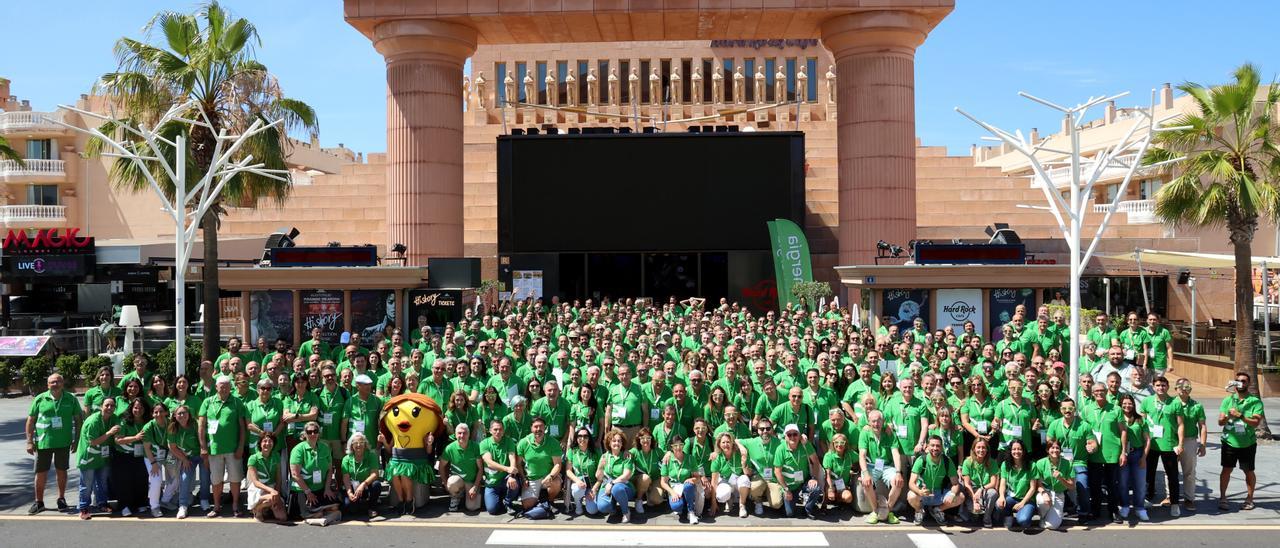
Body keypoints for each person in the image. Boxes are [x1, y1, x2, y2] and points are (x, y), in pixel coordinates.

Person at [26, 373, 83, 514]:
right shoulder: (40, 399)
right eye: (52, 382)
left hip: (63, 442)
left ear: (63, 384)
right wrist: (29, 441)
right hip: (43, 442)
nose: (55, 384)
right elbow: (30, 421)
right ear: (47, 385)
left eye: (58, 382)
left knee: (61, 471)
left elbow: (78, 420)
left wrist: (77, 440)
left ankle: (61, 499)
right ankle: (39, 502)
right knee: (40, 473)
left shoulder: (71, 399)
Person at [199, 375, 248, 518]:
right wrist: (203, 447)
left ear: (230, 387)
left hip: (233, 449)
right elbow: (201, 426)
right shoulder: (207, 402)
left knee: (235, 478)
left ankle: (235, 504)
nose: (224, 388)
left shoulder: (237, 402)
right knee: (216, 479)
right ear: (216, 387)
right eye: (221, 386)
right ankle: (216, 506)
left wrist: (240, 447)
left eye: (227, 385)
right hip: (214, 449)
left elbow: (242, 427)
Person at [1217, 371, 1262, 511]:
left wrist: (1240, 416)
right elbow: (1220, 422)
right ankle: (1223, 498)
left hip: (1247, 443)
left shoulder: (1255, 401)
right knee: (1226, 470)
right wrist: (1226, 418)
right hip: (1229, 442)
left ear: (1249, 383)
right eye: (1238, 380)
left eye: (1244, 381)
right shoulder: (1227, 400)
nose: (1241, 383)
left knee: (1248, 471)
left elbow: (1255, 423)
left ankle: (1249, 498)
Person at [1141, 375, 1185, 516]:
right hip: (1151, 444)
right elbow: (1141, 423)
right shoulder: (1147, 401)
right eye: (1158, 385)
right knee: (1148, 474)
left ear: (1168, 387)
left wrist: (1180, 444)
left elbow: (1180, 425)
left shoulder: (1175, 403)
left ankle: (1175, 503)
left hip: (1169, 445)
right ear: (1153, 387)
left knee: (1172, 476)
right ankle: (1148, 498)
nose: (1161, 388)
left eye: (1163, 385)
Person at [1046, 397, 1094, 521]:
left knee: (1082, 485)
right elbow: (1049, 441)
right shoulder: (1055, 424)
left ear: (1075, 409)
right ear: (1060, 410)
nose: (1067, 411)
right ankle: (1066, 507)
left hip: (1078, 462)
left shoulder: (1084, 425)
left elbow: (1092, 442)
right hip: (1060, 461)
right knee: (1052, 481)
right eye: (1064, 408)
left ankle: (1084, 512)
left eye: (1070, 408)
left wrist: (1091, 447)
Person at [290, 421, 341, 525]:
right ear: (304, 434)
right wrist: (308, 492)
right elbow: (295, 474)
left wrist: (327, 489)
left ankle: (321, 516)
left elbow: (330, 470)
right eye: (309, 432)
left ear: (319, 433)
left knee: (335, 506)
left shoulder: (325, 447)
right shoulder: (298, 450)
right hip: (302, 490)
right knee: (317, 513)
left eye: (315, 431)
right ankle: (320, 516)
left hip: (320, 488)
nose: (313, 434)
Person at [76, 397, 120, 520]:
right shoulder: (93, 421)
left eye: (112, 406)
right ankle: (83, 507)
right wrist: (110, 433)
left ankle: (102, 504)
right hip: (89, 457)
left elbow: (120, 426)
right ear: (101, 406)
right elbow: (93, 442)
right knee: (87, 484)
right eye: (107, 405)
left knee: (102, 482)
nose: (110, 408)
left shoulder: (113, 418)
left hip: (102, 456)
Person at [907, 435, 965, 525]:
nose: (935, 448)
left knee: (960, 497)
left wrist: (952, 494)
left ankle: (937, 510)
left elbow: (955, 484)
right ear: (927, 447)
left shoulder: (947, 461)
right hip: (923, 493)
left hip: (939, 493)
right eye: (932, 445)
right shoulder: (921, 460)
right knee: (911, 496)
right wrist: (919, 491)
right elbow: (911, 483)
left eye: (938, 446)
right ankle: (919, 511)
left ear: (942, 447)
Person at [859, 410, 904, 524]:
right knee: (866, 482)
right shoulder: (864, 433)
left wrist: (898, 472)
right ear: (869, 422)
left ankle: (887, 511)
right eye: (873, 421)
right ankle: (875, 511)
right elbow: (862, 455)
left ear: (883, 421)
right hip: (871, 466)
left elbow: (895, 453)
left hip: (887, 466)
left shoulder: (889, 433)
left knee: (898, 482)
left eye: (879, 421)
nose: (876, 424)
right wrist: (865, 473)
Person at [111, 397, 151, 516]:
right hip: (124, 456)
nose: (138, 410)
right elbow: (118, 440)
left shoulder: (147, 421)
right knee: (125, 482)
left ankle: (140, 503)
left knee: (141, 480)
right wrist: (135, 437)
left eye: (141, 407)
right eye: (135, 407)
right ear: (131, 408)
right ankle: (124, 506)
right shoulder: (123, 420)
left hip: (140, 455)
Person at [774, 423, 823, 519]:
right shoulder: (781, 449)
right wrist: (786, 489)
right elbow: (777, 471)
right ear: (785, 437)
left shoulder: (805, 445)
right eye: (789, 435)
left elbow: (816, 461)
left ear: (799, 435)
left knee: (816, 488)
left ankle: (807, 509)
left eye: (795, 434)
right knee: (790, 514)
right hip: (789, 486)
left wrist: (814, 478)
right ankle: (792, 499)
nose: (792, 437)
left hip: (803, 481)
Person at [167, 404, 208, 518]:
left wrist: (205, 453)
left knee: (205, 477)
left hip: (201, 455)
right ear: (175, 416)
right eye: (179, 413)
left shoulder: (195, 424)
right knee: (184, 479)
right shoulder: (172, 428)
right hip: (187, 458)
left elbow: (204, 439)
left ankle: (204, 499)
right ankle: (183, 506)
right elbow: (172, 447)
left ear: (189, 415)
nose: (182, 415)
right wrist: (184, 459)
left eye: (184, 413)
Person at [516, 417, 564, 511]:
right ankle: (542, 495)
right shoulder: (523, 442)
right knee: (527, 506)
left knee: (556, 482)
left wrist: (551, 475)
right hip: (531, 478)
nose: (538, 429)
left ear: (545, 428)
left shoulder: (553, 442)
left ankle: (550, 500)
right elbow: (518, 464)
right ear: (531, 428)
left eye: (541, 426)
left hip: (548, 477)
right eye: (535, 427)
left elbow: (557, 464)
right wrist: (523, 478)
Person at [1117, 393, 1151, 521]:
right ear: (1120, 405)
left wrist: (1144, 457)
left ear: (1134, 405)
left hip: (1137, 454)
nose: (1127, 406)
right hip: (1123, 454)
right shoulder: (1117, 418)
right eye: (1124, 403)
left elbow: (1147, 440)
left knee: (1140, 483)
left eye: (1130, 403)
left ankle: (1139, 508)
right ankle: (1125, 506)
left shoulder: (1140, 419)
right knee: (1123, 482)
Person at [1175, 378, 1206, 514]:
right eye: (1180, 386)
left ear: (1191, 389)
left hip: (1189, 441)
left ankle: (1189, 498)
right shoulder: (1170, 404)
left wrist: (1203, 444)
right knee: (1170, 471)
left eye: (1187, 387)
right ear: (1176, 389)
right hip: (1172, 440)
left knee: (1189, 472)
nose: (1184, 389)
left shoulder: (1197, 406)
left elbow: (1202, 426)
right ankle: (1171, 496)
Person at [141, 403, 176, 517]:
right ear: (152, 414)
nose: (158, 414)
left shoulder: (171, 423)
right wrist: (154, 463)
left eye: (161, 411)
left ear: (166, 412)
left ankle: (165, 501)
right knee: (156, 480)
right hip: (152, 456)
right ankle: (154, 507)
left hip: (168, 455)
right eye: (156, 412)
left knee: (177, 477)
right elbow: (147, 448)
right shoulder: (148, 427)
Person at [480, 419, 521, 515]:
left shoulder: (509, 441)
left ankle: (508, 502)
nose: (498, 431)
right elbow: (489, 463)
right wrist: (507, 469)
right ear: (490, 431)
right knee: (492, 510)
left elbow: (512, 459)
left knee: (515, 483)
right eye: (495, 429)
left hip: (505, 479)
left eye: (500, 429)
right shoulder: (484, 443)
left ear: (503, 430)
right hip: (492, 482)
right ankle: (499, 499)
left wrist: (511, 475)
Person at [596, 428, 638, 522]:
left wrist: (611, 483)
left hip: (624, 487)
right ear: (609, 443)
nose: (616, 443)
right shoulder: (604, 456)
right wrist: (600, 467)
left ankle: (626, 512)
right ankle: (613, 508)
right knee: (602, 507)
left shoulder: (626, 456)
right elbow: (598, 477)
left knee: (617, 489)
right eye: (614, 441)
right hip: (606, 485)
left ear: (622, 444)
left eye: (619, 441)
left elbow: (626, 475)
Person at [440, 423, 484, 512]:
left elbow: (480, 469)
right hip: (458, 481)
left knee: (472, 507)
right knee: (452, 483)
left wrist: (475, 487)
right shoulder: (449, 448)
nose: (462, 435)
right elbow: (441, 467)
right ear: (455, 435)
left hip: (472, 481)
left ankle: (471, 492)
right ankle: (456, 496)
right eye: (459, 433)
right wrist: (445, 483)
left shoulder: (476, 447)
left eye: (465, 433)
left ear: (469, 434)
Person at [1033, 439, 1075, 530]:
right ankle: (1043, 517)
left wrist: (1061, 478)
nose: (1055, 450)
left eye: (1057, 448)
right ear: (1047, 450)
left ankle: (1049, 518)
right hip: (1045, 492)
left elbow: (1072, 486)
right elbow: (1038, 484)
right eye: (1052, 448)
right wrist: (1044, 493)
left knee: (1053, 526)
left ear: (1060, 450)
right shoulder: (1040, 463)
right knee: (1042, 501)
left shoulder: (1067, 463)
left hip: (1059, 494)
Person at [661, 434, 703, 524]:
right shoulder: (667, 460)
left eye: (681, 445)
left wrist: (692, 479)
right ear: (671, 447)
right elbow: (663, 482)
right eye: (675, 445)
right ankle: (683, 505)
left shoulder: (690, 458)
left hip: (687, 487)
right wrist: (672, 493)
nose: (678, 448)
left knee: (688, 486)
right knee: (677, 506)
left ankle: (691, 512)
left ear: (684, 445)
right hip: (674, 487)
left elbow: (697, 477)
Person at [996, 439, 1037, 530]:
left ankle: (1024, 515)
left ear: (1023, 451)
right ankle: (1008, 515)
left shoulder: (1032, 465)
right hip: (1011, 497)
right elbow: (1002, 483)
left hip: (1027, 500)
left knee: (1023, 521)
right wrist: (1002, 496)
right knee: (998, 504)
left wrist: (1022, 503)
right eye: (1014, 449)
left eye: (1019, 449)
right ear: (1010, 451)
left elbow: (1033, 488)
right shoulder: (1005, 464)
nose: (1016, 452)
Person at [709, 431, 751, 518]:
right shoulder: (717, 457)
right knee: (721, 496)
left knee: (745, 479)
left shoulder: (739, 453)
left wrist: (744, 464)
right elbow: (714, 482)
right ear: (719, 444)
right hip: (725, 481)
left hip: (737, 482)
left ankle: (742, 506)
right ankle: (729, 498)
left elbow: (748, 473)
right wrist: (713, 503)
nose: (726, 444)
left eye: (728, 442)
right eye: (723, 442)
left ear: (732, 443)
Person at [960, 437, 999, 527]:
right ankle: (975, 513)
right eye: (978, 447)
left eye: (983, 447)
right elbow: (967, 484)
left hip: (985, 489)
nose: (981, 450)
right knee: (974, 513)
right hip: (972, 491)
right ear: (974, 449)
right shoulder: (967, 462)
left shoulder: (992, 462)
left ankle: (987, 517)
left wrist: (981, 489)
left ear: (987, 450)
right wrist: (975, 500)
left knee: (993, 493)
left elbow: (993, 483)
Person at [342, 432, 383, 518]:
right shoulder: (346, 459)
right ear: (351, 445)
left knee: (376, 485)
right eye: (356, 443)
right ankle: (362, 504)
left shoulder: (371, 455)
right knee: (351, 509)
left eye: (361, 442)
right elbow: (346, 478)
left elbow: (375, 474)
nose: (358, 445)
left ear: (365, 444)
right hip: (353, 488)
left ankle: (372, 507)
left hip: (367, 486)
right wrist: (349, 493)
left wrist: (363, 484)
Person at [246, 435, 286, 522]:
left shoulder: (276, 456)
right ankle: (258, 509)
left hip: (272, 487)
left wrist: (277, 493)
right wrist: (272, 491)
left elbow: (278, 478)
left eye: (270, 441)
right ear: (260, 444)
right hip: (258, 488)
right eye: (264, 441)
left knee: (283, 517)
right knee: (271, 498)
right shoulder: (253, 458)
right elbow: (256, 482)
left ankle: (267, 507)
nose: (267, 443)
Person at [565, 426, 602, 515]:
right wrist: (577, 481)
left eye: (585, 436)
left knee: (592, 511)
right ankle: (578, 503)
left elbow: (601, 474)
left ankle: (588, 497)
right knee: (577, 489)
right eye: (580, 436)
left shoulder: (596, 452)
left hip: (593, 485)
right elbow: (568, 471)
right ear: (576, 438)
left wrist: (594, 489)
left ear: (589, 438)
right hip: (579, 484)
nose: (582, 438)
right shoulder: (572, 451)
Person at [630, 427, 665, 514]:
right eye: (642, 438)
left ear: (651, 439)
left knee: (657, 500)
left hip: (655, 479)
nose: (646, 440)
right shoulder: (635, 451)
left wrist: (668, 453)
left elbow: (668, 458)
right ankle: (639, 500)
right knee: (645, 478)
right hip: (641, 479)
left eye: (648, 438)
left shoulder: (657, 451)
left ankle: (649, 493)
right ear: (639, 439)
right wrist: (626, 452)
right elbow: (625, 454)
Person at [822, 432, 858, 514]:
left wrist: (857, 472)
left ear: (845, 444)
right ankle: (824, 505)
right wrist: (830, 489)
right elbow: (827, 474)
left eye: (842, 442)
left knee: (848, 498)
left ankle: (838, 500)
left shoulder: (850, 454)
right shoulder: (829, 456)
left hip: (842, 484)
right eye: (836, 442)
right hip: (830, 482)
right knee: (828, 487)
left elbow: (861, 460)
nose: (839, 445)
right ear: (833, 443)